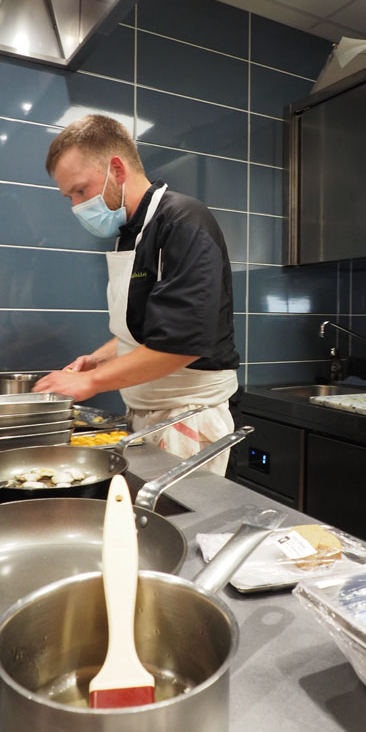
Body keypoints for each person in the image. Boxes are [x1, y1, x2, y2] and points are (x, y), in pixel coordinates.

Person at [33, 115, 240, 475]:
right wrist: (96, 359)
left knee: (180, 527)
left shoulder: (183, 221)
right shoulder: (130, 233)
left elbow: (182, 342)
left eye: (80, 191)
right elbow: (145, 330)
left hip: (187, 419)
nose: (76, 206)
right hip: (148, 415)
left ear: (116, 168)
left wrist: (89, 383)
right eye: (70, 197)